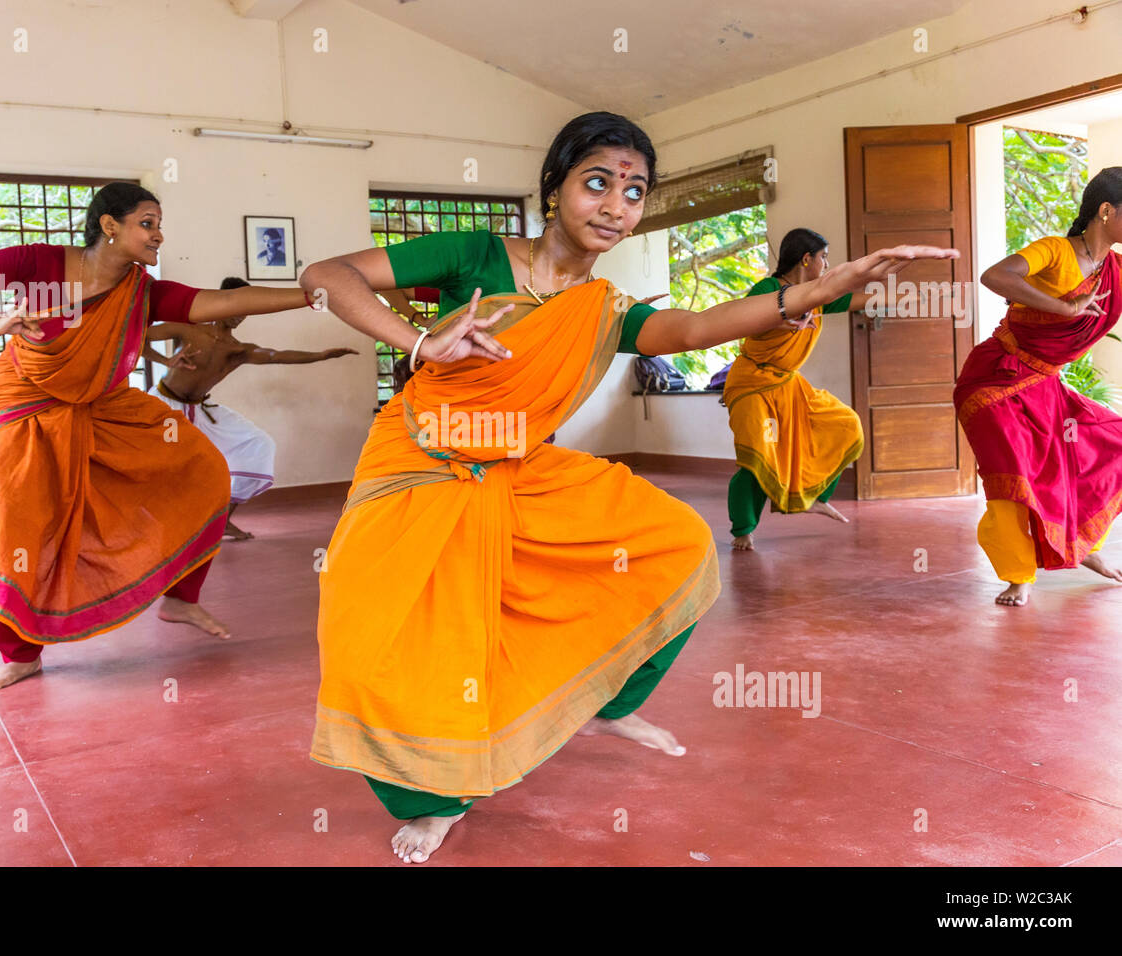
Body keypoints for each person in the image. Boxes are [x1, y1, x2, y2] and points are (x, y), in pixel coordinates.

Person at [299, 110, 958, 863]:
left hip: (516, 465)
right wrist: (417, 340)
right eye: (598, 184)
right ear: (555, 189)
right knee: (386, 633)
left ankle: (608, 703)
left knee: (674, 544)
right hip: (416, 459)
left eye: (635, 192)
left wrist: (810, 293)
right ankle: (432, 801)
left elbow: (691, 329)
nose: (616, 206)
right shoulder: (475, 252)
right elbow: (323, 277)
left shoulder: (605, 307)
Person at [0, 182, 311, 690]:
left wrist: (312, 296)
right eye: (147, 223)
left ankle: (178, 598)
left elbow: (222, 301)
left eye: (158, 224)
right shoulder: (39, 264)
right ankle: (20, 654)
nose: (158, 235)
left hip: (102, 404)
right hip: (23, 405)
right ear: (110, 226)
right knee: (15, 521)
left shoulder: (143, 292)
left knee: (203, 468)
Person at [954, 167, 1122, 607]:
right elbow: (996, 276)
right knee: (1011, 474)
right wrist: (1065, 308)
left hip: (1042, 383)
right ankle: (1018, 575)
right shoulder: (1056, 251)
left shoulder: (1114, 269)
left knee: (1101, 447)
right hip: (995, 378)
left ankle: (1078, 546)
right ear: (1106, 211)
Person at [145, 276, 357, 539]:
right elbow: (138, 336)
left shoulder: (236, 350)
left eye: (247, 311)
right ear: (222, 301)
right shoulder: (188, 329)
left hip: (200, 409)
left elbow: (275, 355)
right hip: (166, 406)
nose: (240, 315)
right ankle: (162, 527)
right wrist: (165, 359)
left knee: (259, 444)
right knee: (172, 462)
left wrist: (322, 355)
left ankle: (222, 520)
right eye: (237, 307)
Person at [725, 228, 874, 550]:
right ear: (807, 258)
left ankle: (815, 497)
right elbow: (746, 317)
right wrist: (779, 320)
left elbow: (861, 300)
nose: (826, 263)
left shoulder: (817, 298)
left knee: (847, 426)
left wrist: (913, 296)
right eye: (824, 256)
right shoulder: (768, 288)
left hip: (788, 384)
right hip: (753, 383)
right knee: (756, 457)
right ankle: (743, 530)